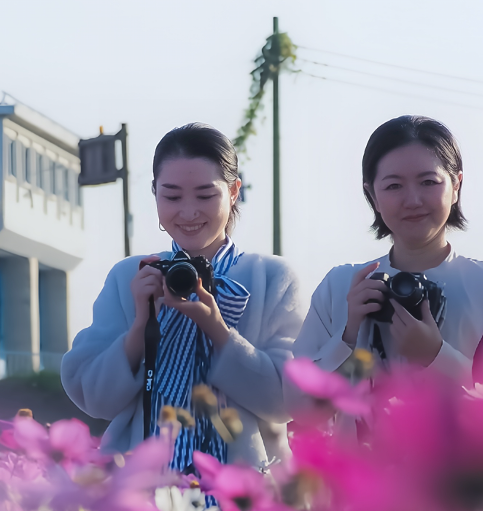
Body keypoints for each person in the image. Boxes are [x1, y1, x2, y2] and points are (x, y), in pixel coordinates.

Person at [61, 123, 306, 470]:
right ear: (155, 193)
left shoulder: (272, 279)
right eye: (172, 196)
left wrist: (218, 329)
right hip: (142, 494)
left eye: (206, 195)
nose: (188, 212)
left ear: (234, 191)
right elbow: (94, 399)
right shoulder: (131, 276)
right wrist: (140, 328)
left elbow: (288, 400)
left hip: (244, 495)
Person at [292, 116, 483, 383]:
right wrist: (348, 333)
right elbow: (300, 408)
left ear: (456, 185)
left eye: (428, 182)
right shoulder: (340, 287)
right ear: (372, 196)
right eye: (393, 186)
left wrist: (436, 355)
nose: (412, 200)